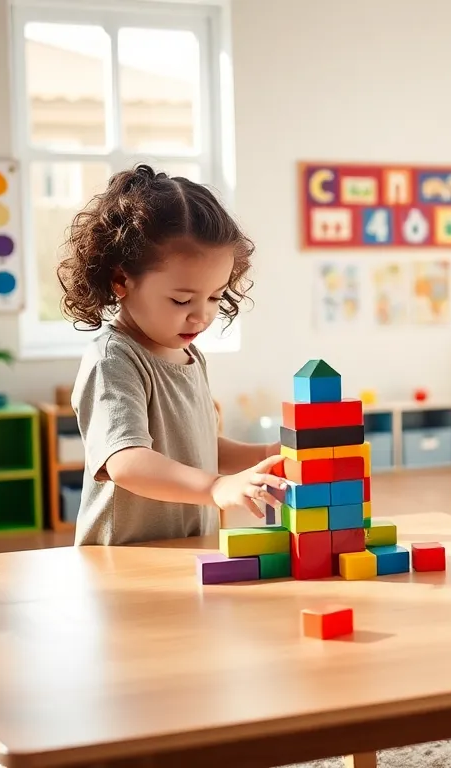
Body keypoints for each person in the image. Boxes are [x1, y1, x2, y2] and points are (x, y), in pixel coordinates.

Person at [58, 164, 286, 546]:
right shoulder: (114, 359)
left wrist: (266, 455)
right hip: (126, 560)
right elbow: (126, 461)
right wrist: (215, 487)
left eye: (215, 296)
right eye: (182, 299)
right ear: (121, 280)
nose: (202, 315)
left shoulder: (190, 354)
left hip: (186, 548)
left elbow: (200, 448)